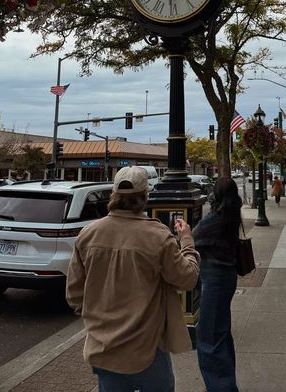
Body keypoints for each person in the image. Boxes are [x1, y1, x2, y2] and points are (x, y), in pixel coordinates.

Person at [66, 166, 200, 392]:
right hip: (146, 347)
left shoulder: (88, 234)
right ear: (145, 196)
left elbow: (74, 295)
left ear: (114, 196)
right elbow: (187, 279)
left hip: (103, 347)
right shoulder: (157, 236)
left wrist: (98, 318)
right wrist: (187, 242)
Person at [192, 177, 242, 392]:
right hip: (227, 276)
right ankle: (225, 383)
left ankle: (221, 387)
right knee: (220, 332)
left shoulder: (216, 219)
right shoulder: (231, 212)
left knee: (208, 337)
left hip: (214, 278)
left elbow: (194, 236)